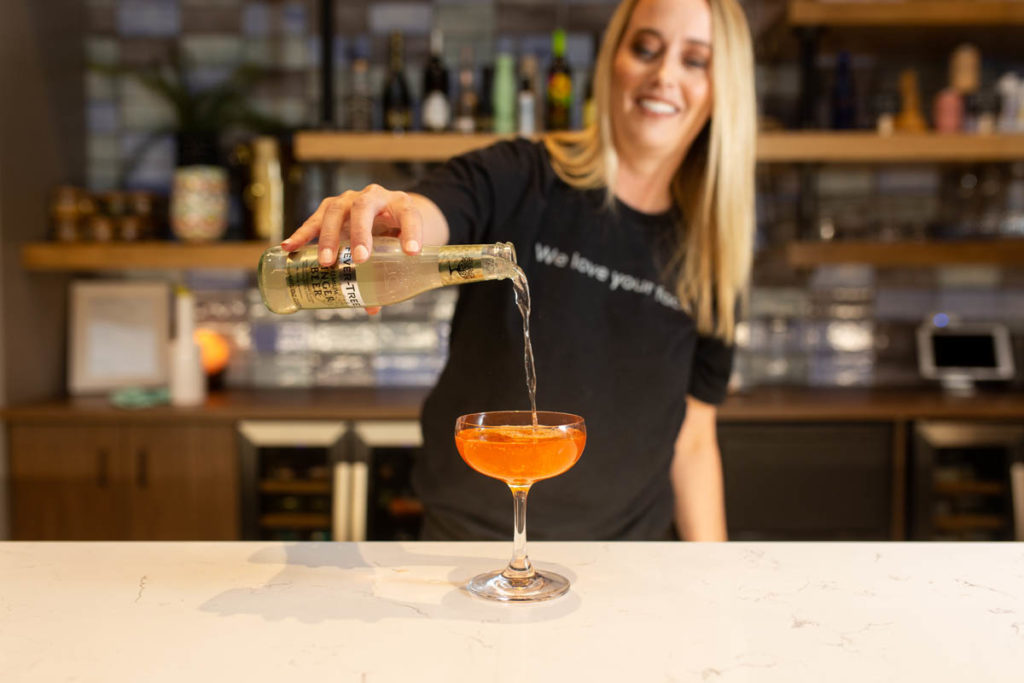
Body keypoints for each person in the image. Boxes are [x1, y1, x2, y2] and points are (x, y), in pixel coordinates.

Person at [282, 0, 756, 541]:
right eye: (645, 48)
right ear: (612, 61)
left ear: (725, 86)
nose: (664, 75)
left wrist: (712, 579)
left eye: (696, 60)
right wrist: (395, 220)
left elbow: (693, 439)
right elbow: (433, 214)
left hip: (629, 562)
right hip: (469, 550)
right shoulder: (519, 175)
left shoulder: (716, 252)